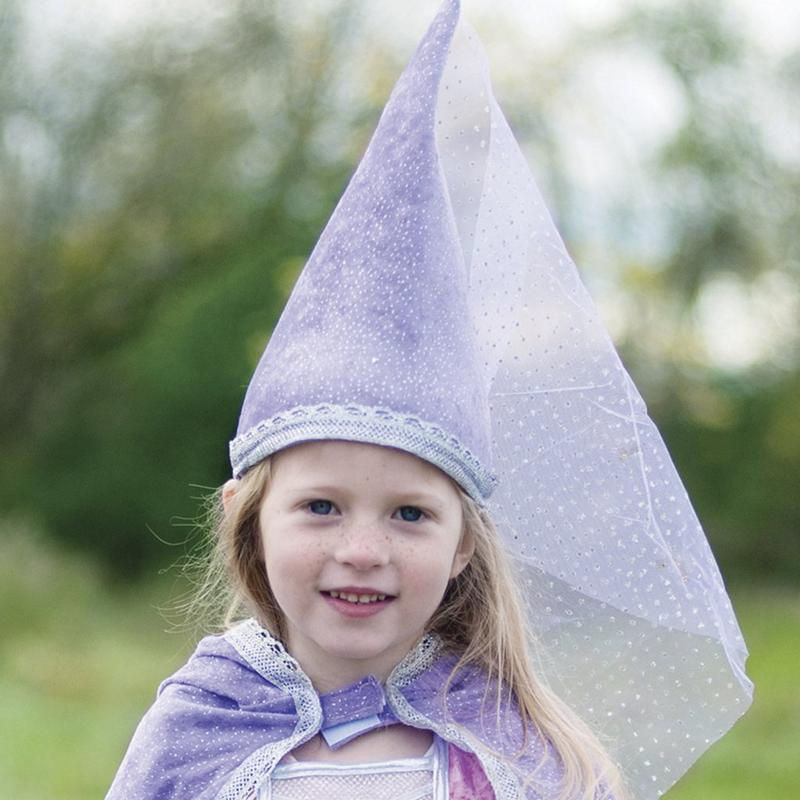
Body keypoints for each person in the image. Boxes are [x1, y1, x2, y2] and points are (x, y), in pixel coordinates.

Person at [106, 2, 752, 799]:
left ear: (462, 547)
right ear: (247, 515)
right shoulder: (202, 722)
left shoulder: (521, 750)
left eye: (410, 513)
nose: (364, 550)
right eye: (320, 507)